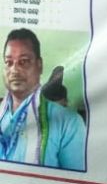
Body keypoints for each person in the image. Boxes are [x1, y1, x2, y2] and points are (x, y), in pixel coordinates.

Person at [0, 29, 85, 170]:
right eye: (9, 62)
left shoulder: (69, 123)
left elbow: (75, 181)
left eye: (24, 61)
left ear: (39, 65)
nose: (14, 70)